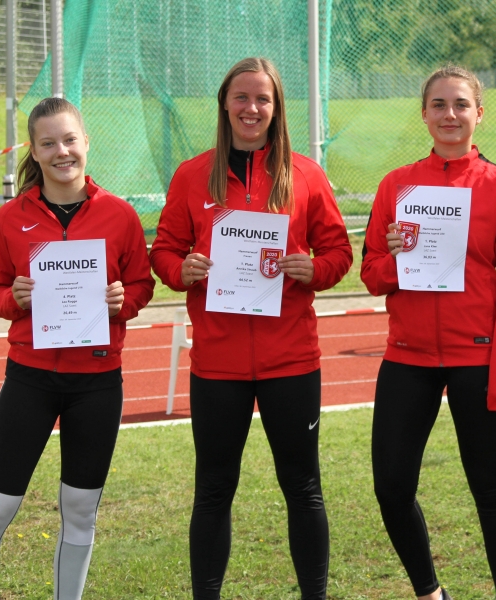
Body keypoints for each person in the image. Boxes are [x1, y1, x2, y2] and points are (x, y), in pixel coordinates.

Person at [150, 57, 352, 600]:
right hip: (218, 363)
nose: (252, 108)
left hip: (291, 359)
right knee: (213, 490)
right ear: (224, 104)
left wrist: (314, 269)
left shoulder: (304, 173)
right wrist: (180, 269)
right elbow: (165, 250)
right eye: (242, 97)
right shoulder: (193, 175)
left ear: (277, 108)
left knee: (303, 489)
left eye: (263, 99)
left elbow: (338, 251)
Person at [0, 97, 155, 600]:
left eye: (70, 140)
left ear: (86, 143)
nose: (62, 151)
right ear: (35, 152)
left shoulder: (121, 216)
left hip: (97, 384)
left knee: (81, 510)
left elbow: (141, 285)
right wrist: (12, 298)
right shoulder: (9, 219)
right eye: (49, 143)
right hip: (30, 379)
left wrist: (122, 302)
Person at [361, 64, 496, 600]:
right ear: (424, 114)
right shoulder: (397, 184)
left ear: (479, 113)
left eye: (461, 104)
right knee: (391, 487)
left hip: (475, 361)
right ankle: (430, 593)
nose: (450, 115)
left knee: (490, 491)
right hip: (408, 357)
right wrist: (396, 257)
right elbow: (371, 274)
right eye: (439, 105)